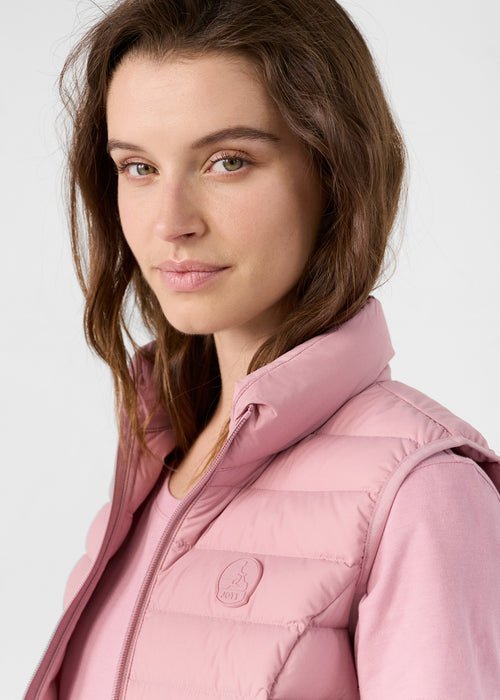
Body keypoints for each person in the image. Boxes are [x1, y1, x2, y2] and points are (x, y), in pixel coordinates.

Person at [24, 0, 500, 698]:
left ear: (335, 172)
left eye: (228, 161)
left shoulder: (421, 494)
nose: (171, 222)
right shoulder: (154, 466)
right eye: (139, 167)